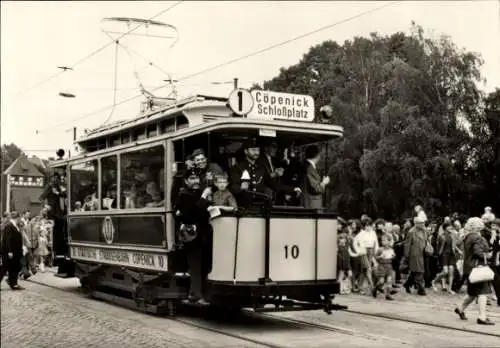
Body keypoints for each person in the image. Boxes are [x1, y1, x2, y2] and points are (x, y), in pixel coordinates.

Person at [174, 168, 212, 303]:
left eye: (196, 178)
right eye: (191, 179)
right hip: (192, 235)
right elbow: (191, 215)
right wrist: (203, 198)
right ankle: (196, 294)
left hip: (204, 234)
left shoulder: (200, 193)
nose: (195, 181)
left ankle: (202, 293)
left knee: (206, 265)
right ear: (186, 181)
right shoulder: (184, 195)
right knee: (195, 265)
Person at [454, 217, 495, 325]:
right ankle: (482, 317)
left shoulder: (468, 237)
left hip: (469, 268)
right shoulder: (477, 237)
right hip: (478, 268)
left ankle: (460, 308)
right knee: (483, 292)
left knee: (472, 293)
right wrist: (488, 256)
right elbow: (478, 252)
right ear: (478, 226)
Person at [0, 211, 25, 290]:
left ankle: (13, 284)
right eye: (19, 218)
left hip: (15, 251)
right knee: (5, 267)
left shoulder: (14, 225)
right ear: (17, 218)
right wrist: (10, 251)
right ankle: (13, 283)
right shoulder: (9, 226)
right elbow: (7, 239)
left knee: (14, 267)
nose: (20, 219)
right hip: (10, 251)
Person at [404, 216, 427, 296]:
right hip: (414, 254)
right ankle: (421, 289)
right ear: (416, 224)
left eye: (423, 223)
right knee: (419, 271)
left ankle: (407, 284)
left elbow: (426, 241)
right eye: (421, 223)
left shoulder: (424, 231)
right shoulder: (411, 232)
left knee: (415, 271)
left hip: (422, 253)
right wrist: (407, 256)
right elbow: (407, 245)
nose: (423, 224)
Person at [302, 144, 329, 209]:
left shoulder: (306, 166)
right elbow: (315, 189)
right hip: (312, 204)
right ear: (317, 155)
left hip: (309, 202)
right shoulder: (309, 168)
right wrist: (324, 183)